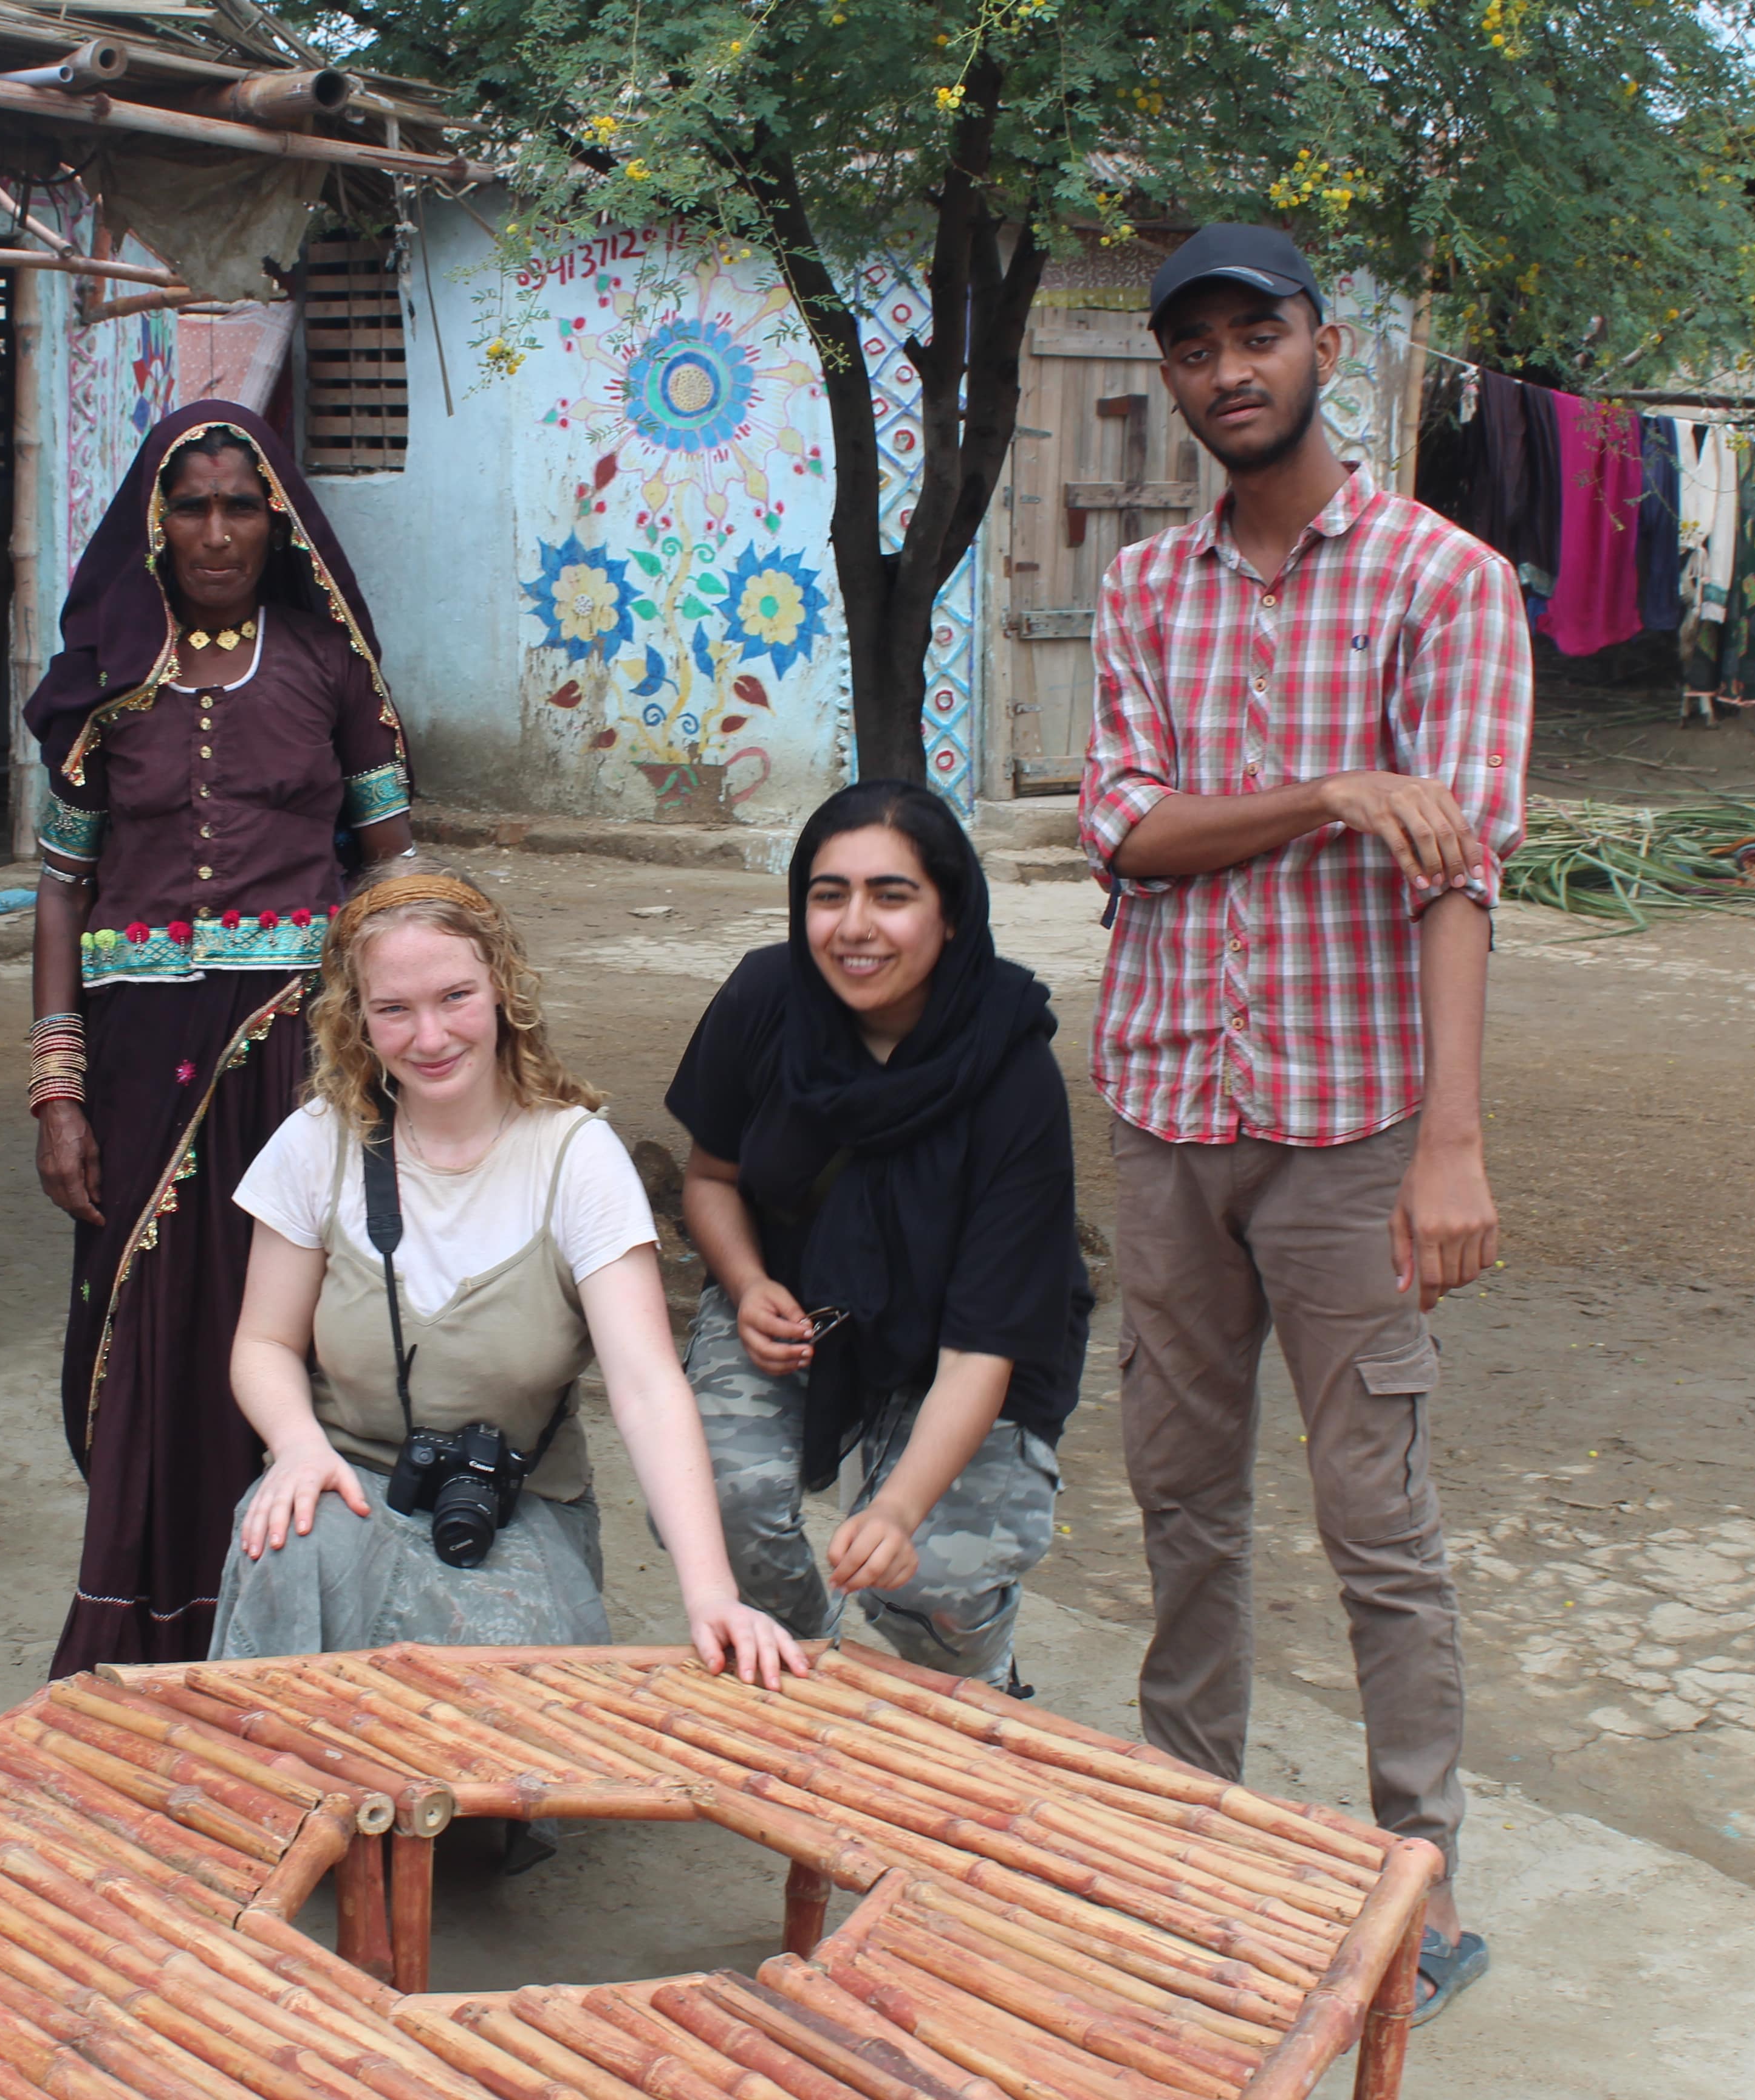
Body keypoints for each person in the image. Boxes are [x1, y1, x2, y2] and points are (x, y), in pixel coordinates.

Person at [1079, 223, 1529, 2022]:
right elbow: (1122, 829)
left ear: (1321, 342)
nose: (1225, 373)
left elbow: (1460, 877)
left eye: (1254, 335)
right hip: (1171, 1110)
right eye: (1192, 348)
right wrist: (1336, 789)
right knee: (1181, 1498)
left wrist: (1454, 1143)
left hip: (1353, 1128)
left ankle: (1414, 1889)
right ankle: (1192, 1845)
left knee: (1377, 1523)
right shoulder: (1144, 592)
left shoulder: (1442, 579)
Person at [24, 401, 412, 1675]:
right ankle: (147, 1631)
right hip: (140, 1066)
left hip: (300, 1061)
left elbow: (392, 870)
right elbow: (63, 891)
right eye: (189, 504)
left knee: (295, 1326)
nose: (215, 530)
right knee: (152, 1330)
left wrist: (398, 1053)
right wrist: (57, 1093)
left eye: (241, 504)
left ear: (278, 521)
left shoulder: (327, 666)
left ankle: (299, 1636)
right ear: (153, 523)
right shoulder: (106, 679)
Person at [216, 868, 806, 1704]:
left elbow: (645, 1386)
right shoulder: (319, 1142)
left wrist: (710, 1593)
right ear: (356, 1019)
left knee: (506, 1666)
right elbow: (264, 1342)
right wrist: (298, 1445)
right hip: (351, 1481)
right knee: (286, 1548)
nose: (430, 1037)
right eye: (394, 1009)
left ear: (502, 988)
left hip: (518, 1500)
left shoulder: (576, 1156)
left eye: (455, 997)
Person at [665, 781, 1090, 1691]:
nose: (854, 926)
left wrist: (897, 1511)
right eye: (830, 895)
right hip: (793, 1310)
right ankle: (802, 1662)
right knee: (714, 1498)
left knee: (933, 1582)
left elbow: (984, 1345)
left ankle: (981, 1675)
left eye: (891, 896)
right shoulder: (766, 998)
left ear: (950, 913)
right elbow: (710, 1178)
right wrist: (744, 1285)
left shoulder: (1014, 1076)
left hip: (962, 1344)